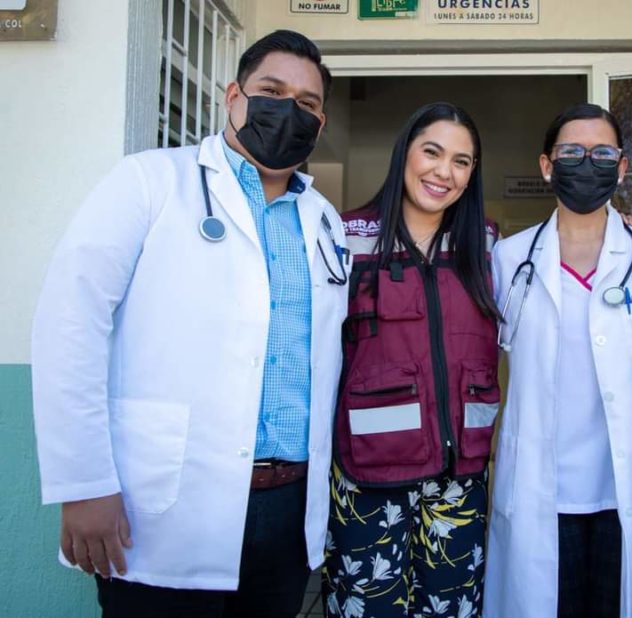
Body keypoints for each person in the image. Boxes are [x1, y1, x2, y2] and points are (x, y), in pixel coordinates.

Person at [31, 30, 348, 617]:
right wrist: (82, 484)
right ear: (233, 98)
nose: (289, 110)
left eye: (306, 104)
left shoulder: (323, 219)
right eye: (271, 91)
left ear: (320, 125)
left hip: (287, 510)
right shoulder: (149, 182)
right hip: (162, 509)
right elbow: (68, 327)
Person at [483, 103, 632, 618]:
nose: (587, 162)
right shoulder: (509, 259)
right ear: (546, 166)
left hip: (631, 492)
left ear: (622, 167)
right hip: (539, 490)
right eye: (571, 153)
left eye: (602, 152)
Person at [322, 102, 499, 618]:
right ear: (405, 154)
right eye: (433, 152)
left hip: (460, 476)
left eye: (462, 161)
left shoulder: (487, 245)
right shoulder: (344, 237)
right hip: (368, 474)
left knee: (453, 609)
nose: (445, 172)